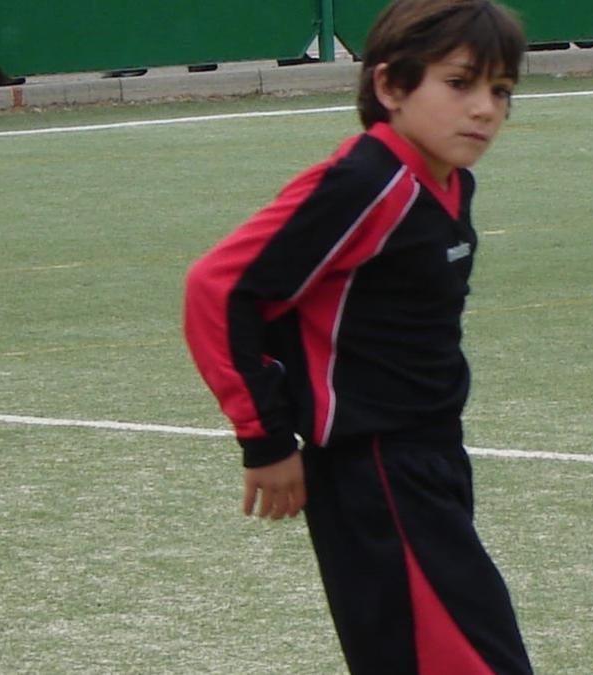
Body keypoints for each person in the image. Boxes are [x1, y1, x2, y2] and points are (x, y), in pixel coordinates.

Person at [182, 1, 533, 673]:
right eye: (459, 83)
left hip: (432, 459)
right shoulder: (367, 184)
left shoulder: (449, 182)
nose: (485, 109)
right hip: (376, 471)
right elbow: (218, 289)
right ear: (390, 86)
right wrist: (266, 438)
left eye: (501, 90)